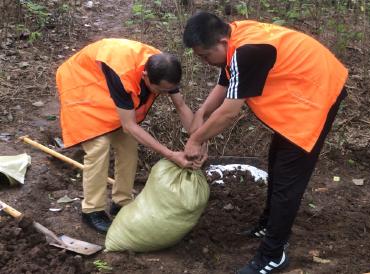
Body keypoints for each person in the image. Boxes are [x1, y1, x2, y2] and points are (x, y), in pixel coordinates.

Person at [183, 12, 348, 274]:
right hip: (302, 89)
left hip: (316, 94)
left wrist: (197, 139)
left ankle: (273, 254)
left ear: (222, 42)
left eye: (205, 56)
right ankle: (268, 224)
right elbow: (227, 81)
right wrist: (201, 114)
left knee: (287, 181)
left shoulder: (248, 51)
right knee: (276, 162)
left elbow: (229, 111)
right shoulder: (236, 37)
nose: (204, 62)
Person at [56, 38, 195, 234]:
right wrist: (171, 154)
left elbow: (181, 106)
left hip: (105, 84)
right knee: (99, 146)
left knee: (128, 145)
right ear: (145, 75)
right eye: (160, 90)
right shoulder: (122, 73)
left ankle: (122, 201)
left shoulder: (164, 68)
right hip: (81, 81)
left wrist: (197, 140)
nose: (165, 94)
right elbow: (129, 125)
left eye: (168, 90)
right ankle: (92, 210)